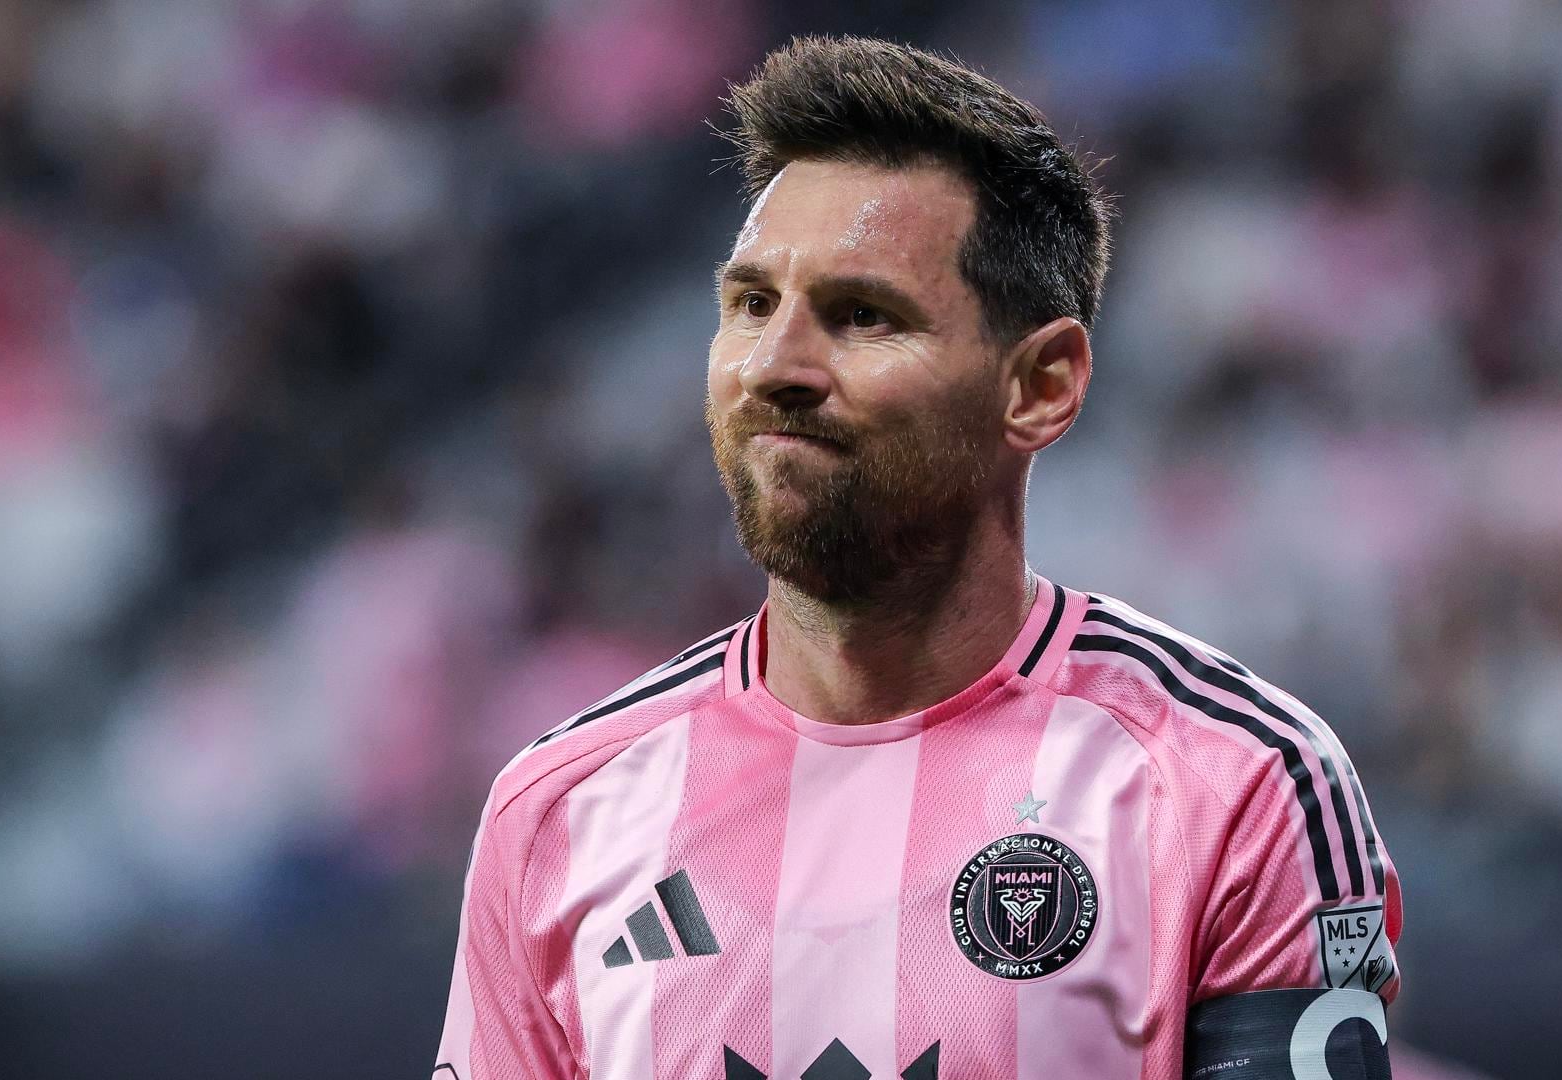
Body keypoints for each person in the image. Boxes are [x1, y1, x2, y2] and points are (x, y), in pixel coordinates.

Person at [435, 35, 1401, 1080]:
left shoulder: (1234, 783)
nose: (774, 366)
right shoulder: (561, 812)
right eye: (751, 304)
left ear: (1040, 386)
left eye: (863, 315)